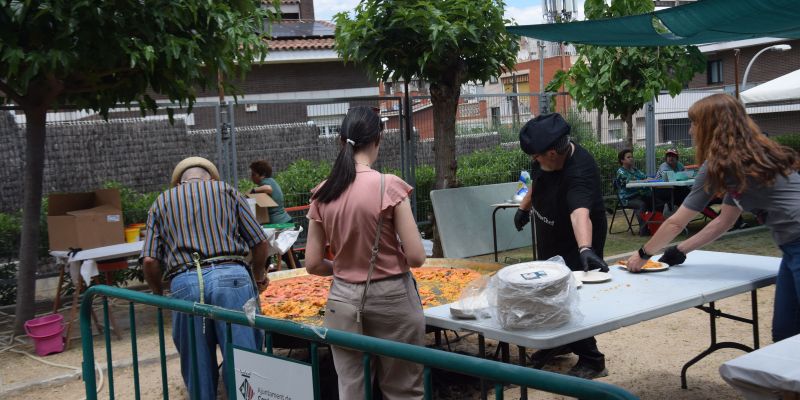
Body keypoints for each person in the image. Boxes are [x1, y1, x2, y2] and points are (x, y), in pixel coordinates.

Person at [625, 93, 800, 343]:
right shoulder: (747, 156)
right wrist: (680, 250)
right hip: (792, 248)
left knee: (787, 338)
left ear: (711, 127)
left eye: (695, 123)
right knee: (785, 334)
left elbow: (677, 221)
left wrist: (643, 254)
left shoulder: (721, 163)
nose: (691, 129)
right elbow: (725, 220)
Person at [304, 106, 427, 399]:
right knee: (403, 389)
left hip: (342, 298)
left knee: (352, 387)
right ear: (378, 139)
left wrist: (344, 269)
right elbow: (417, 257)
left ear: (340, 142)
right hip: (392, 297)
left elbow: (311, 263)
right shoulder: (389, 186)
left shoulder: (322, 193)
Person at [140, 157, 270, 399]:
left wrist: (159, 295)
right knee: (244, 362)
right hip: (233, 278)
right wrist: (258, 274)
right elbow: (260, 242)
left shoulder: (161, 202)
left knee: (197, 366)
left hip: (184, 284)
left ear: (179, 183)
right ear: (210, 178)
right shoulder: (227, 191)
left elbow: (149, 260)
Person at [513, 113, 610, 379]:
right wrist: (524, 208)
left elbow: (580, 212)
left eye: (537, 156)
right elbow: (537, 181)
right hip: (549, 230)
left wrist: (585, 249)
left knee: (568, 293)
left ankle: (592, 359)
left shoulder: (581, 168)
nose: (534, 160)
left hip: (579, 235)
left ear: (553, 152)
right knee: (545, 288)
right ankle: (559, 342)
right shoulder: (542, 156)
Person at [249, 159, 300, 269]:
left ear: (261, 175)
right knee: (284, 252)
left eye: (253, 174)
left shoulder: (265, 183)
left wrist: (253, 190)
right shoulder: (272, 180)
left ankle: (261, 272)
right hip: (285, 221)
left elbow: (268, 189)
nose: (251, 177)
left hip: (279, 223)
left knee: (266, 246)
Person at [615, 149, 666, 236]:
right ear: (622, 160)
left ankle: (655, 227)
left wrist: (654, 179)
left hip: (640, 195)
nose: (631, 158)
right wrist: (644, 180)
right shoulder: (621, 172)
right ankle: (644, 231)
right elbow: (630, 181)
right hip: (628, 198)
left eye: (632, 157)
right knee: (641, 204)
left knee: (657, 202)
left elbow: (645, 177)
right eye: (628, 157)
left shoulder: (635, 170)